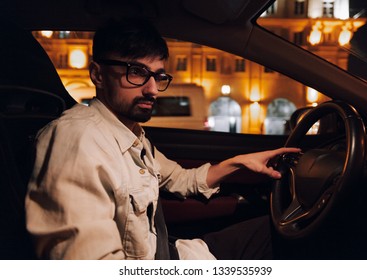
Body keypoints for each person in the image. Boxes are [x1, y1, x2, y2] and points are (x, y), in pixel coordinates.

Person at [25, 18, 300, 260]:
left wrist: (239, 163)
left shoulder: (131, 135)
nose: (153, 89)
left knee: (277, 229)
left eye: (158, 76)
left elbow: (181, 180)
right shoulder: (78, 141)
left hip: (173, 256)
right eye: (137, 72)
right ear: (97, 74)